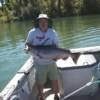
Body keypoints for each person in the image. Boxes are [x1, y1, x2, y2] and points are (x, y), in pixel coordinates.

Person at [25, 14, 60, 100]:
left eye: (45, 21)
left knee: (55, 79)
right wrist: (27, 49)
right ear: (38, 23)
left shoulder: (53, 32)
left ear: (48, 22)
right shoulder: (32, 32)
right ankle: (41, 97)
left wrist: (56, 56)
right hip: (39, 63)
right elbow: (27, 44)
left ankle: (56, 95)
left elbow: (56, 47)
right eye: (41, 21)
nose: (43, 23)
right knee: (40, 82)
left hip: (52, 62)